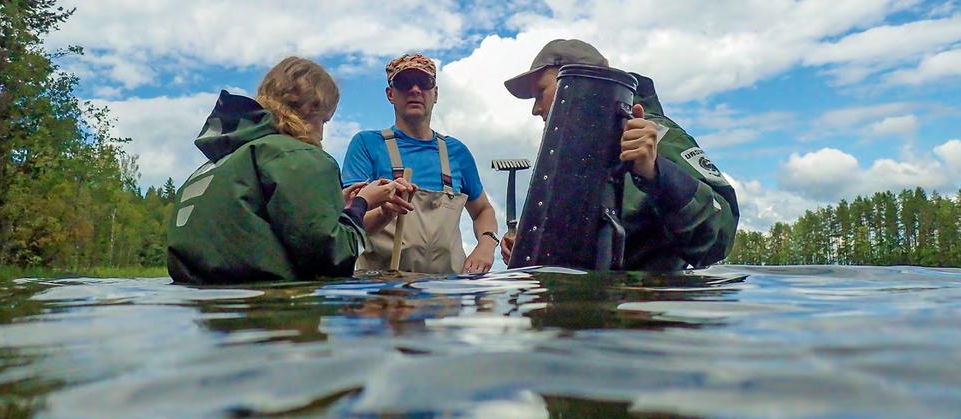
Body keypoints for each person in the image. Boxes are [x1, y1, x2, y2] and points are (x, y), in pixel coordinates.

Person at [167, 56, 410, 284]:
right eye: (324, 120)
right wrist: (362, 204)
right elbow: (331, 260)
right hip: (269, 314)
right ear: (312, 107)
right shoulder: (297, 157)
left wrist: (341, 209)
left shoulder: (217, 165)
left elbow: (279, 232)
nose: (323, 132)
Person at [501, 39, 739, 270]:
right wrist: (527, 245)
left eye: (540, 92)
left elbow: (721, 238)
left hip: (643, 304)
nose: (535, 109)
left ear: (578, 79)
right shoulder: (570, 158)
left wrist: (656, 171)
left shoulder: (655, 134)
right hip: (578, 302)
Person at [341, 53, 499, 274]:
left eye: (424, 83)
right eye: (404, 83)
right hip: (383, 294)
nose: (415, 90)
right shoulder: (366, 144)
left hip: (447, 294)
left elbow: (483, 210)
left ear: (435, 94)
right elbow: (349, 221)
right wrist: (384, 212)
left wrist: (486, 245)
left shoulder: (457, 152)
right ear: (390, 94)